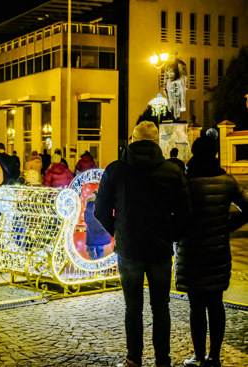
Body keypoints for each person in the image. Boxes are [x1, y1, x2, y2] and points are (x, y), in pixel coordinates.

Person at [94, 121, 191, 367]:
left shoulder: (116, 170)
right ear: (157, 142)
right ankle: (162, 360)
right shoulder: (172, 171)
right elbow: (185, 212)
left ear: (133, 140)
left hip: (129, 249)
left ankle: (133, 359)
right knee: (161, 306)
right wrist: (171, 235)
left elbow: (100, 209)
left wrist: (117, 230)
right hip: (159, 249)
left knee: (132, 307)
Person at [176, 134, 248, 367]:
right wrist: (229, 225)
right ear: (215, 154)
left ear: (194, 153)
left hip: (192, 250)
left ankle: (198, 355)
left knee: (196, 305)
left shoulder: (185, 181)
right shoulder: (227, 181)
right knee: (216, 304)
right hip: (218, 251)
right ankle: (214, 357)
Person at [84, 191, 110, 260]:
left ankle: (94, 266)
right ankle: (100, 267)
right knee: (100, 250)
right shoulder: (105, 206)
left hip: (92, 235)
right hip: (103, 234)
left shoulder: (88, 208)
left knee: (90, 250)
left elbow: (86, 220)